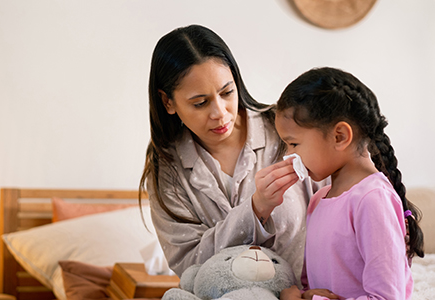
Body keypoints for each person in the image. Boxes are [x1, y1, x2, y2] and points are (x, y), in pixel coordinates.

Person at [138, 24, 326, 283]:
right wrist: (256, 209)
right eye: (200, 103)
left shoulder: (285, 132)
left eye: (227, 92)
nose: (220, 113)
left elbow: (340, 213)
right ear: (168, 102)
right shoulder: (167, 169)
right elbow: (191, 265)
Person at [276, 67, 425, 300]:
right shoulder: (318, 200)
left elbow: (386, 297)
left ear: (340, 137)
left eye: (293, 144)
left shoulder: (372, 199)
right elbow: (314, 283)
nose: (289, 155)